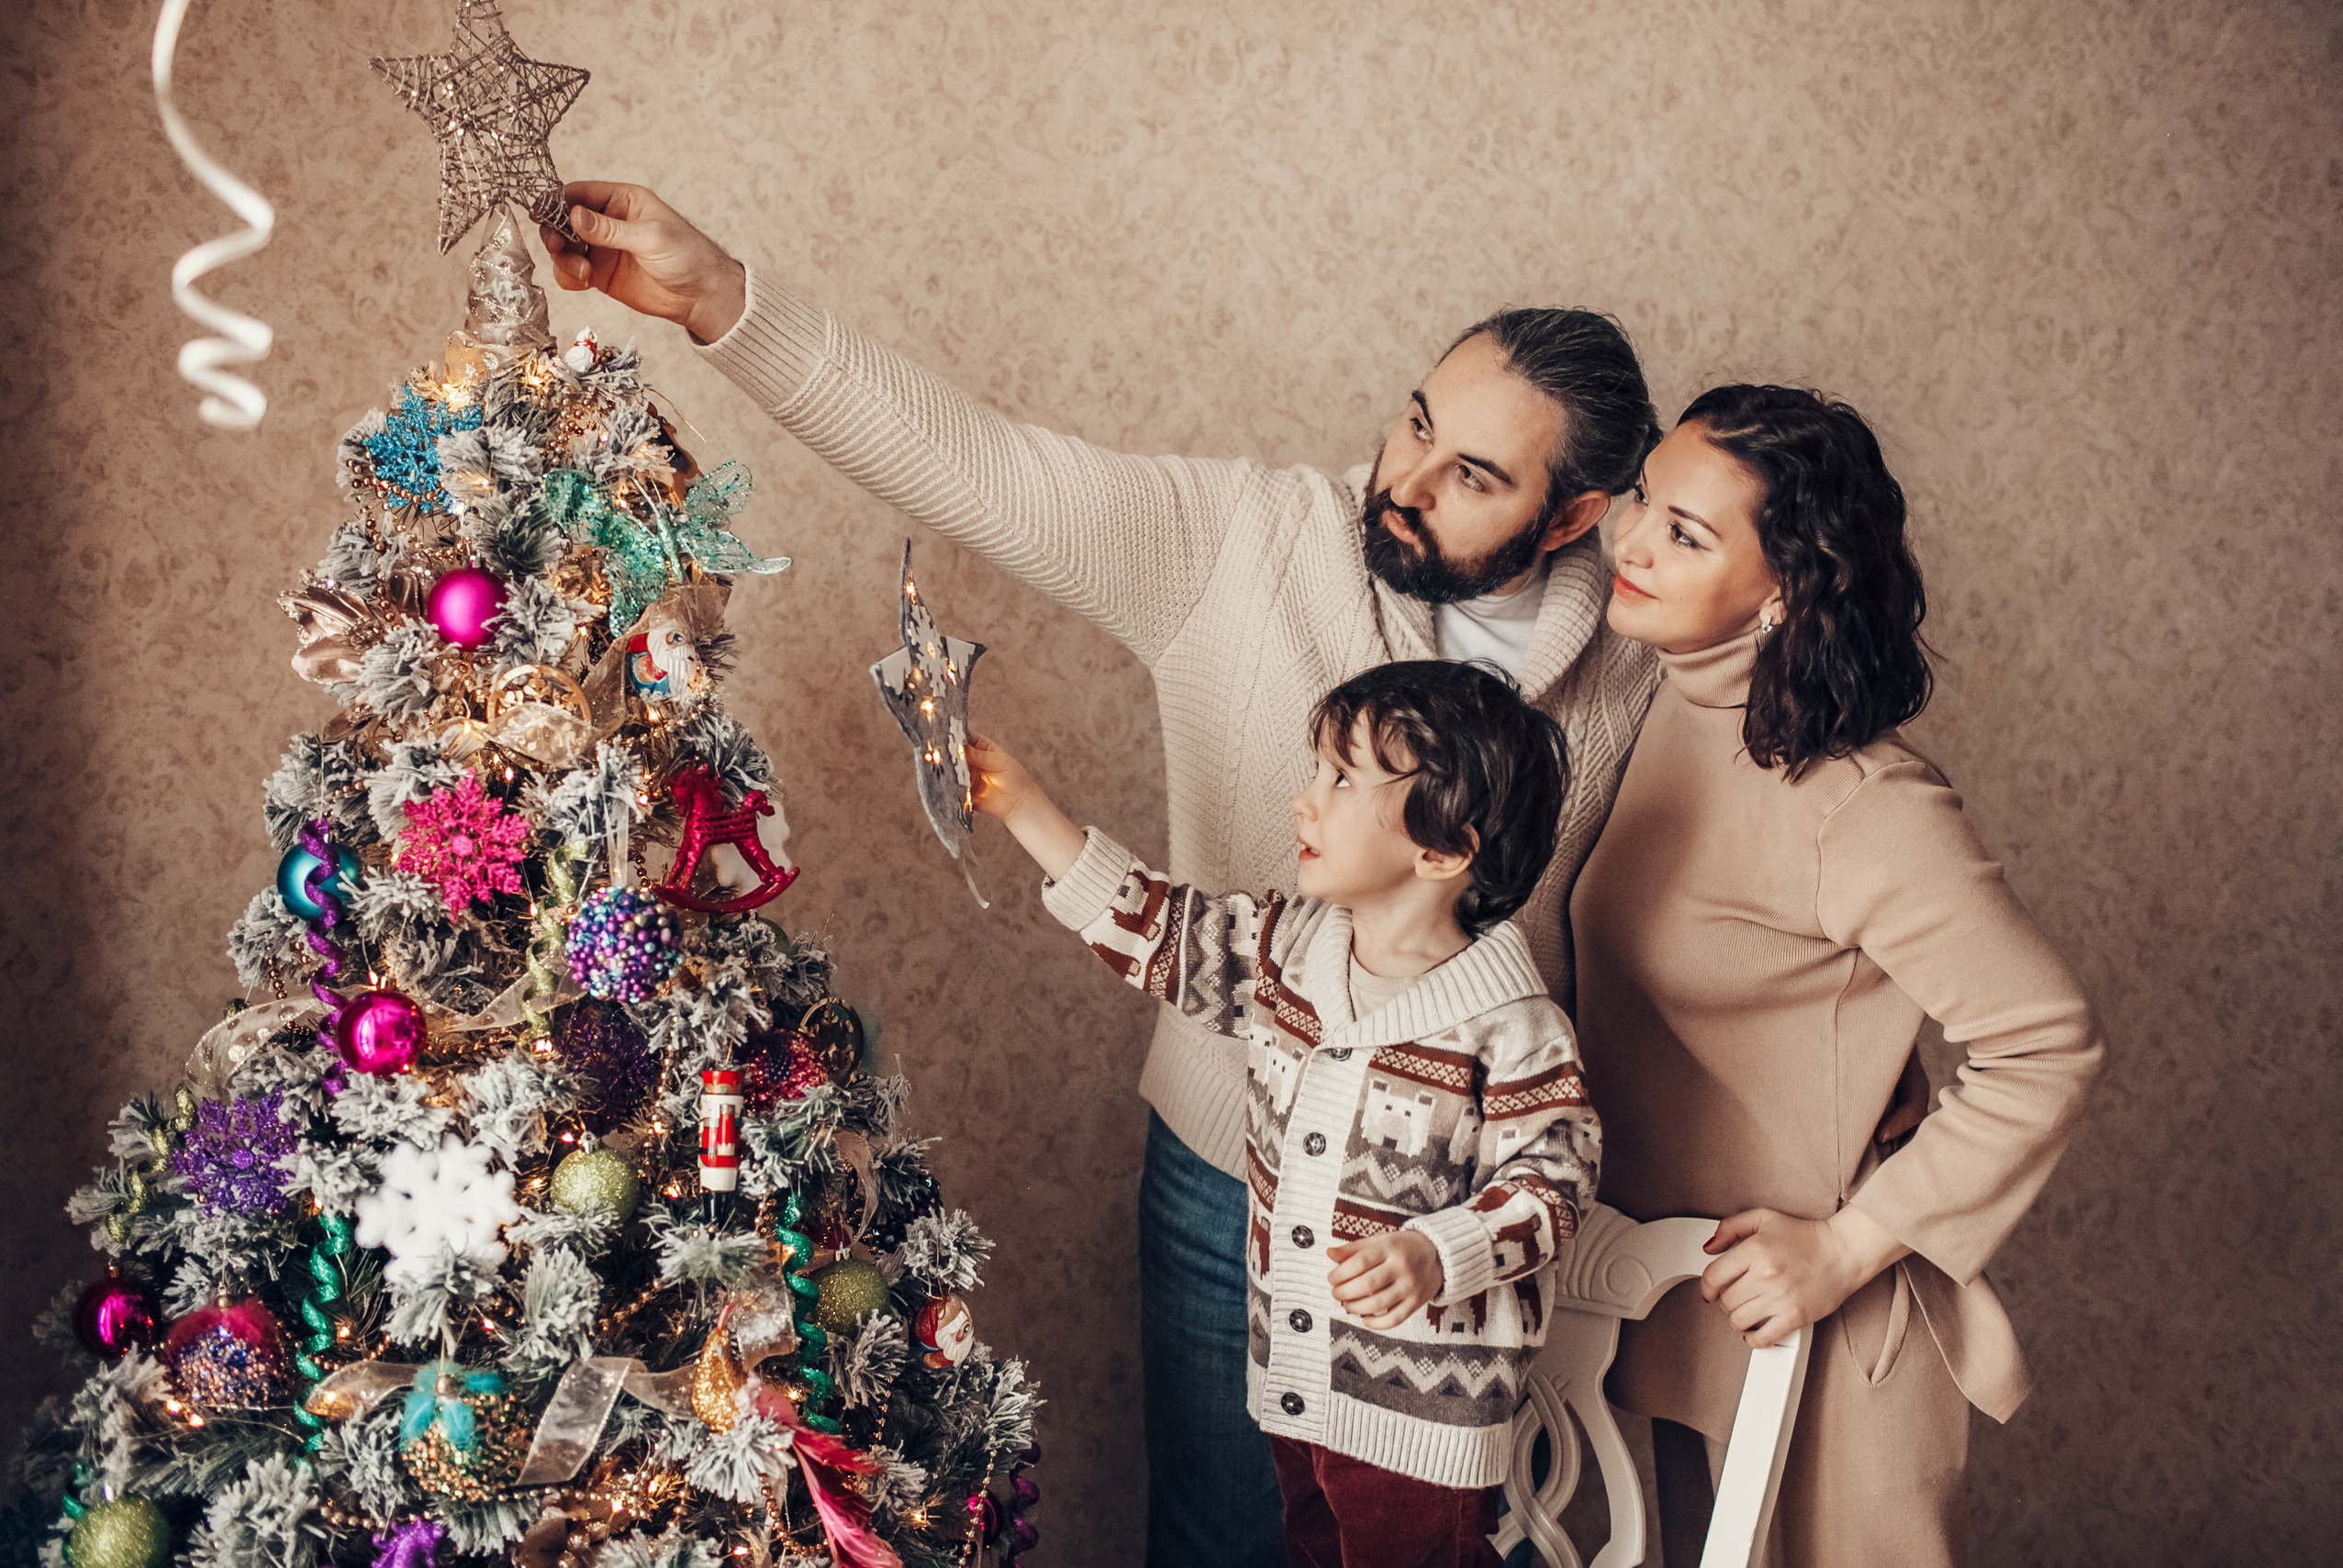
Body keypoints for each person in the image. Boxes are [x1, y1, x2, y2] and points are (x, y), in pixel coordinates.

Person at [541, 182, 1662, 1565]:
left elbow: (1713, 883)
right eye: (1417, 422)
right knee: (1217, 1544)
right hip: (1223, 1183)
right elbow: (977, 464)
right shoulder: (1242, 544)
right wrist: (718, 294)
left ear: (1575, 518)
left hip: (1464, 1247)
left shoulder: (1635, 660)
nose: (1405, 480)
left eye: (1475, 476)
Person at [1570, 385, 2106, 1566]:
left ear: (1782, 589)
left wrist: (1850, 1244)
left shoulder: (1864, 806)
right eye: (1647, 502)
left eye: (1686, 533)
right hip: (1662, 1296)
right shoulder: (1653, 696)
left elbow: (2047, 1043)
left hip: (1818, 1327)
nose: (1633, 542)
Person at [968, 660, 1599, 1568]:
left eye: (1342, 778)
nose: (1305, 800)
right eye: (1319, 769)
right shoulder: (1286, 950)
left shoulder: (1511, 1027)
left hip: (1419, 1431)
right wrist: (1024, 802)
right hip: (1294, 1393)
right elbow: (1156, 928)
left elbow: (1555, 1179)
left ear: (1443, 849)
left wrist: (1438, 1249)